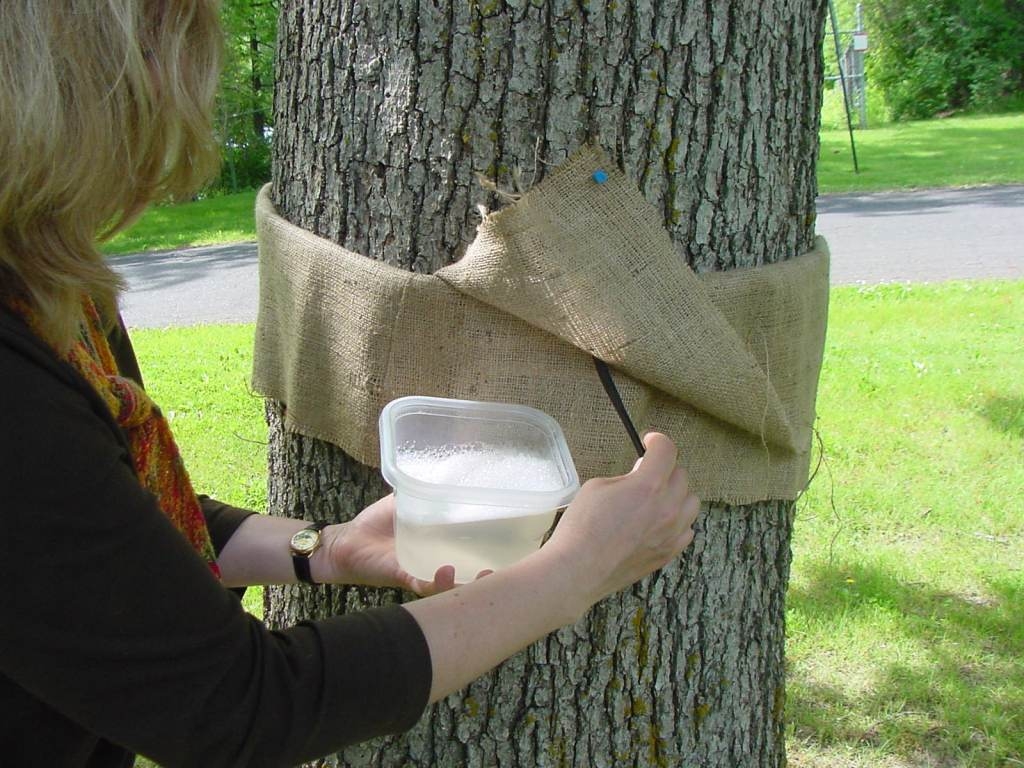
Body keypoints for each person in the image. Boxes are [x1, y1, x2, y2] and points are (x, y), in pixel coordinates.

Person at [0, 2, 701, 766]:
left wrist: (324, 548)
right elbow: (239, 703)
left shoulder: (43, 279)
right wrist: (573, 572)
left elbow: (95, 536)